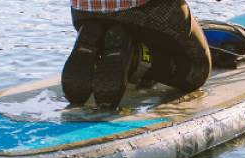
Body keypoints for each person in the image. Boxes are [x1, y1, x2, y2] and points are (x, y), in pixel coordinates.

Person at [62, 0, 212, 110]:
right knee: (198, 69)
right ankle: (135, 57)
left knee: (113, 29)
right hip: (146, 12)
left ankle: (91, 45)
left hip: (84, 11)